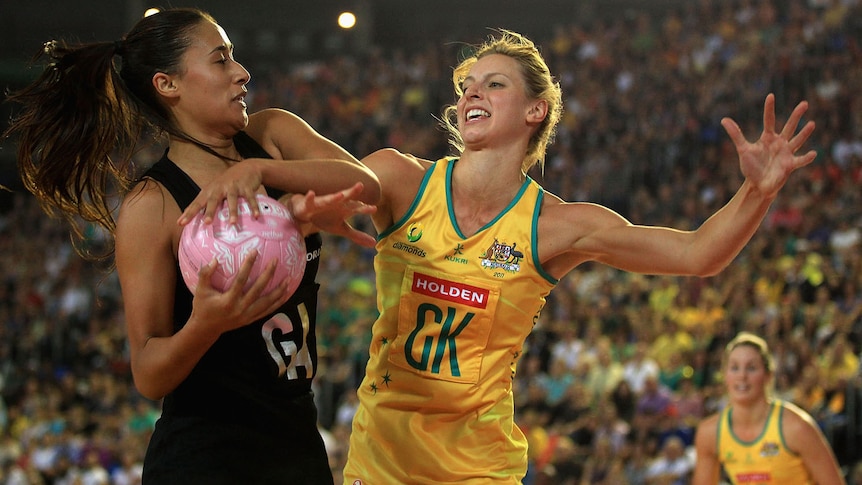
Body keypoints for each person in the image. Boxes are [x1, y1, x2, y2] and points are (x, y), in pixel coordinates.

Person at [170, 29, 818, 483]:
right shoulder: (400, 177)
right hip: (381, 461)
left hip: (479, 469)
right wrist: (261, 168)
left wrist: (756, 193)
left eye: (494, 83)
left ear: (535, 110)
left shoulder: (555, 225)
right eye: (467, 84)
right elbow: (344, 180)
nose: (470, 93)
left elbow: (699, 253)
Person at [4, 7, 379, 485]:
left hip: (298, 439)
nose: (242, 73)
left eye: (234, 58)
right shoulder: (153, 203)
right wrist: (206, 323)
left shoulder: (272, 137)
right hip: (205, 455)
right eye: (220, 60)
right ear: (168, 84)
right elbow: (149, 373)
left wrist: (261, 173)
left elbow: (368, 187)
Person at [692, 332, 845, 485]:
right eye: (734, 368)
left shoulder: (796, 427)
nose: (742, 376)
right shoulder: (710, 432)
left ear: (768, 375)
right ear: (724, 375)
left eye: (751, 368)